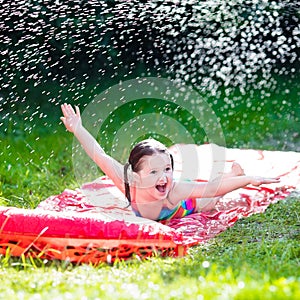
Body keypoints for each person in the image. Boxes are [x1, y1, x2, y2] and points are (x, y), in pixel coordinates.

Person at [60, 103, 280, 221]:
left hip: (184, 207)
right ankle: (234, 174)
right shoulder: (127, 182)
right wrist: (78, 129)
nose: (163, 176)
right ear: (136, 176)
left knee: (210, 202)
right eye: (154, 172)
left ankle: (235, 174)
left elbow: (211, 188)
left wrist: (247, 180)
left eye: (167, 168)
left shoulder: (174, 189)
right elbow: (99, 154)